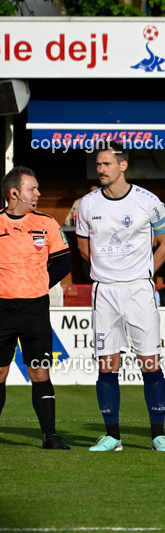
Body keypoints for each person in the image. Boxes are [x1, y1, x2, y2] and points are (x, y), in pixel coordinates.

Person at [76, 143, 165, 452]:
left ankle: (158, 434)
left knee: (149, 362)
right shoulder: (88, 204)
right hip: (105, 291)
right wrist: (106, 270)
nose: (100, 169)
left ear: (122, 166)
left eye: (105, 163)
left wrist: (146, 270)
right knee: (107, 364)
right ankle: (112, 436)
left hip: (139, 290)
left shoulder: (148, 201)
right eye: (98, 164)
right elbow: (82, 245)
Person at [0, 166, 72, 449]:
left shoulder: (47, 223)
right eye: (33, 189)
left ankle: (49, 436)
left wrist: (39, 283)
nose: (39, 193)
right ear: (14, 193)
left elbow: (64, 262)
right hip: (2, 311)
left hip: (35, 310)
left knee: (40, 371)